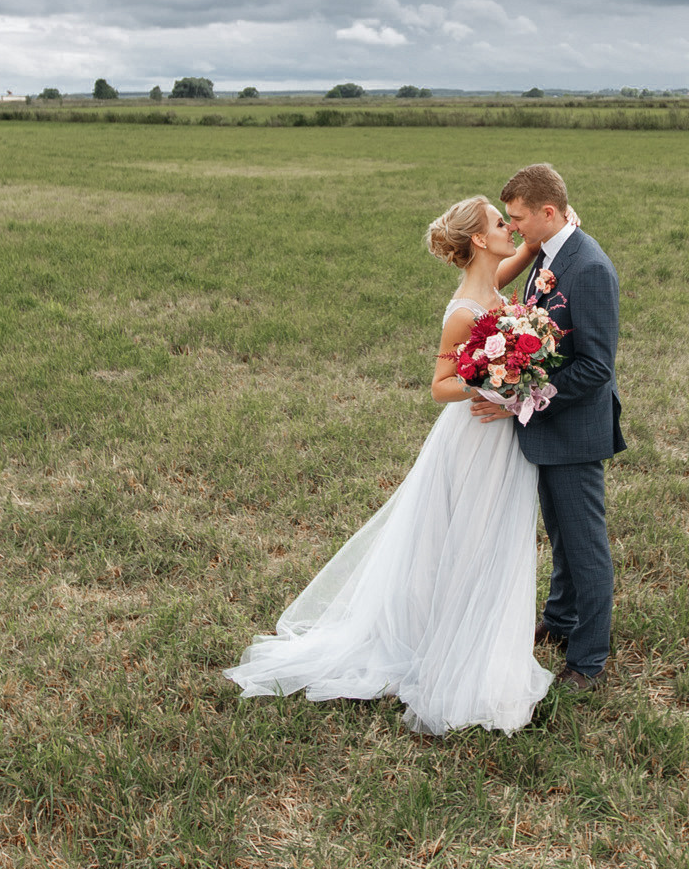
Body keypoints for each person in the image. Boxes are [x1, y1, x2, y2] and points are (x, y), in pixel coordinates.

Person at [224, 196, 555, 734]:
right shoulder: (464, 312)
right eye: (501, 223)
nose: (509, 230)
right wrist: (494, 384)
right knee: (468, 537)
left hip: (500, 435)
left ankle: (483, 639)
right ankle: (449, 648)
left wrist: (552, 223)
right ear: (478, 240)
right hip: (473, 436)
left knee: (494, 536)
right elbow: (439, 386)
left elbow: (524, 252)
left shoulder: (495, 284)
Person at [489, 162, 623, 691]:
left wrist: (524, 399)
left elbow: (595, 367)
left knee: (584, 544)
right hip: (550, 432)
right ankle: (562, 617)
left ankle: (588, 659)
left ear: (549, 211)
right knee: (561, 535)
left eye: (518, 218)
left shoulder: (587, 268)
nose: (513, 226)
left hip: (573, 432)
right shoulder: (548, 255)